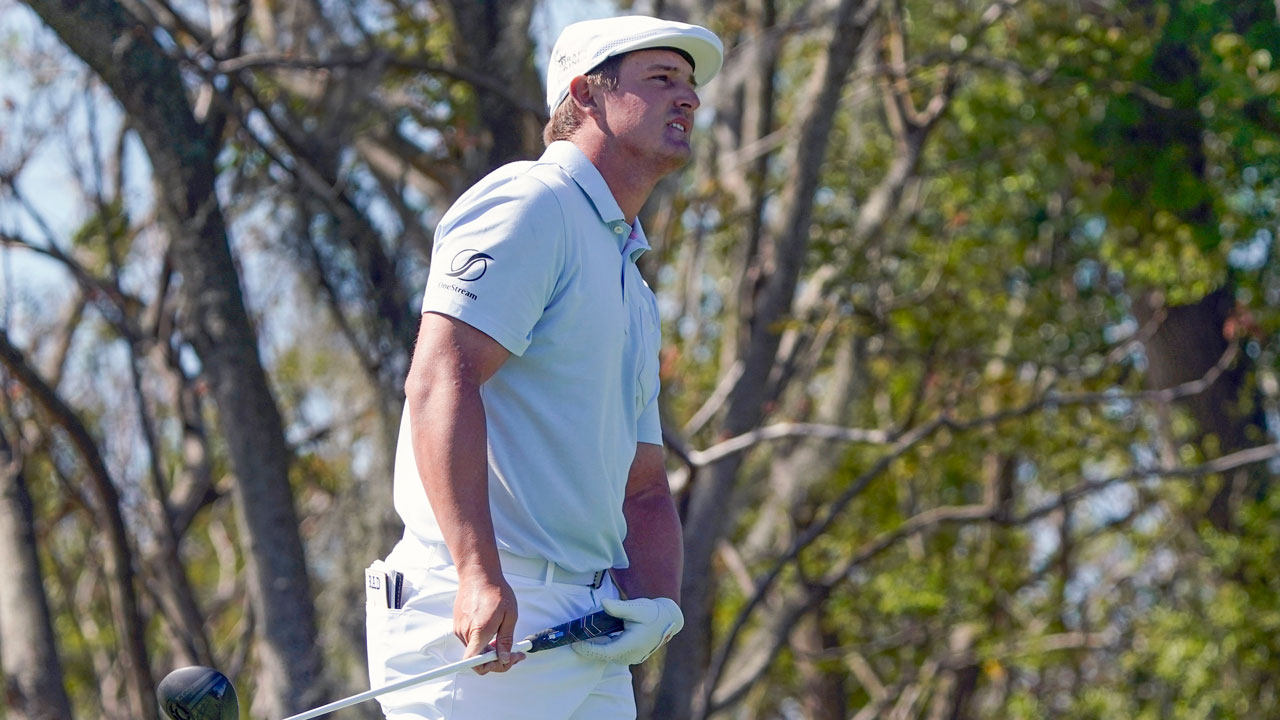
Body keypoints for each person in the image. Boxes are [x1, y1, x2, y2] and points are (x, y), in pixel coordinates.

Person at [364, 15, 724, 720]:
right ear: (586, 93)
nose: (689, 99)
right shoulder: (533, 202)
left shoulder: (629, 277)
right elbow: (441, 379)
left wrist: (658, 610)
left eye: (689, 85)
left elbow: (644, 488)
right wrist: (477, 573)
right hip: (479, 612)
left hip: (585, 629)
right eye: (662, 79)